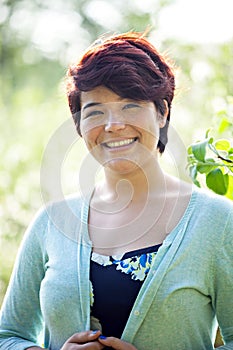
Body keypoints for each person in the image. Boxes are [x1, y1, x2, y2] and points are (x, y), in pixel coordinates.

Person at [0, 31, 233, 350]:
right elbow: (8, 335)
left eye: (130, 105)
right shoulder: (51, 222)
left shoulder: (218, 222)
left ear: (162, 111)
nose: (112, 125)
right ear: (78, 124)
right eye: (95, 111)